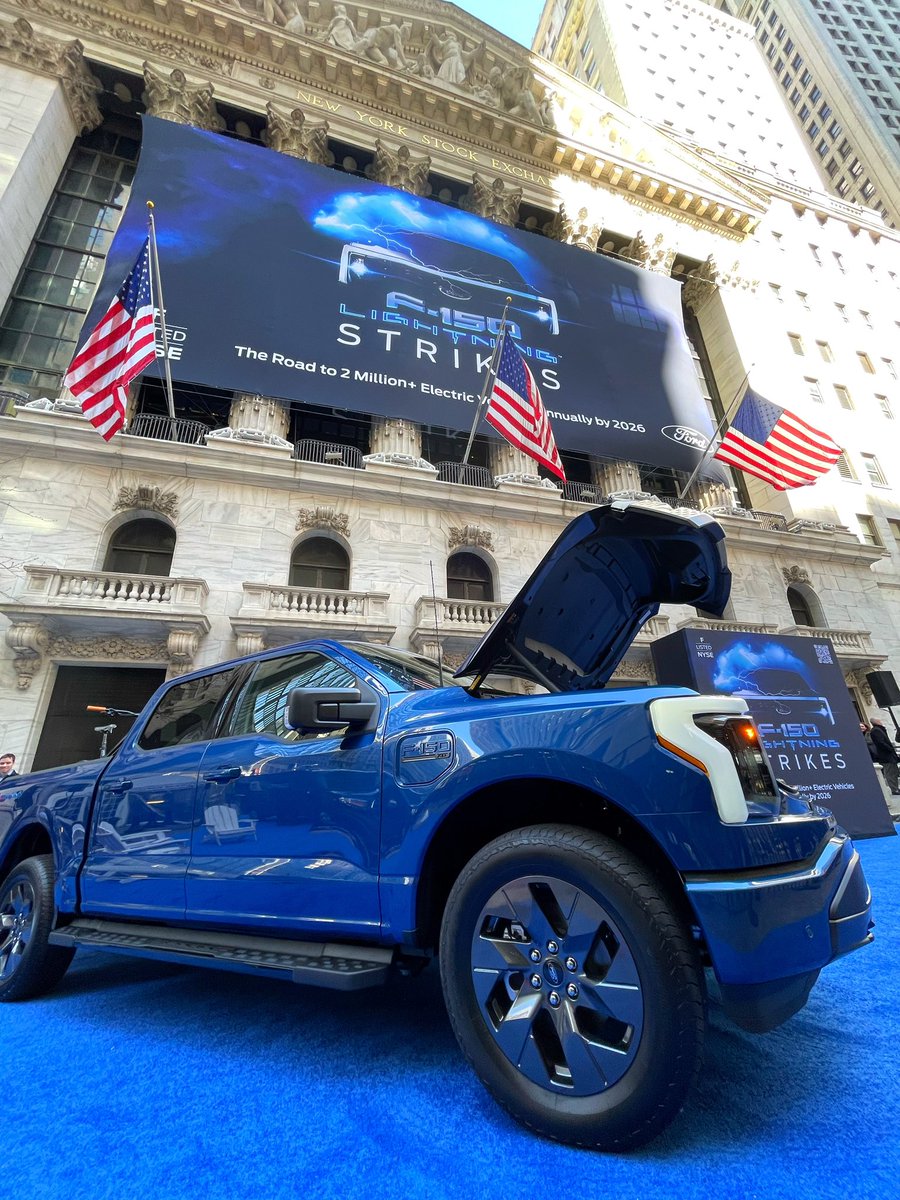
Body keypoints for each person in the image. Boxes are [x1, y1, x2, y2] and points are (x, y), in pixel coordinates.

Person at [869, 719, 900, 795]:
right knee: (890, 772)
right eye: (878, 720)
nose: (880, 721)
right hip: (886, 756)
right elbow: (881, 742)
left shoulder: (879, 729)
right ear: (876, 722)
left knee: (894, 771)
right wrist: (890, 749)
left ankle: (895, 788)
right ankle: (894, 789)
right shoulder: (876, 731)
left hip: (889, 755)